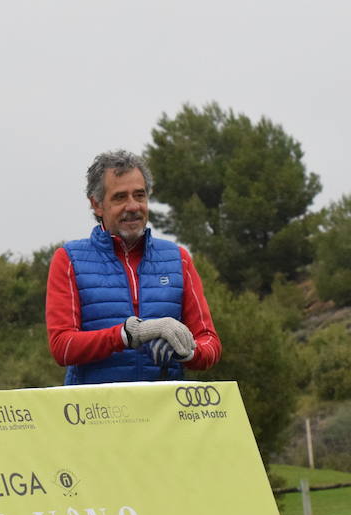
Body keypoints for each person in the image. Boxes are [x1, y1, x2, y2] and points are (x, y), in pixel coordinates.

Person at [46, 150, 221, 384]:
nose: (133, 206)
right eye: (120, 197)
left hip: (165, 410)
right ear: (97, 204)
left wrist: (188, 352)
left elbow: (209, 342)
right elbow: (62, 347)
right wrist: (127, 334)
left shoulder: (178, 258)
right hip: (96, 413)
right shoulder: (68, 259)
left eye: (139, 195)